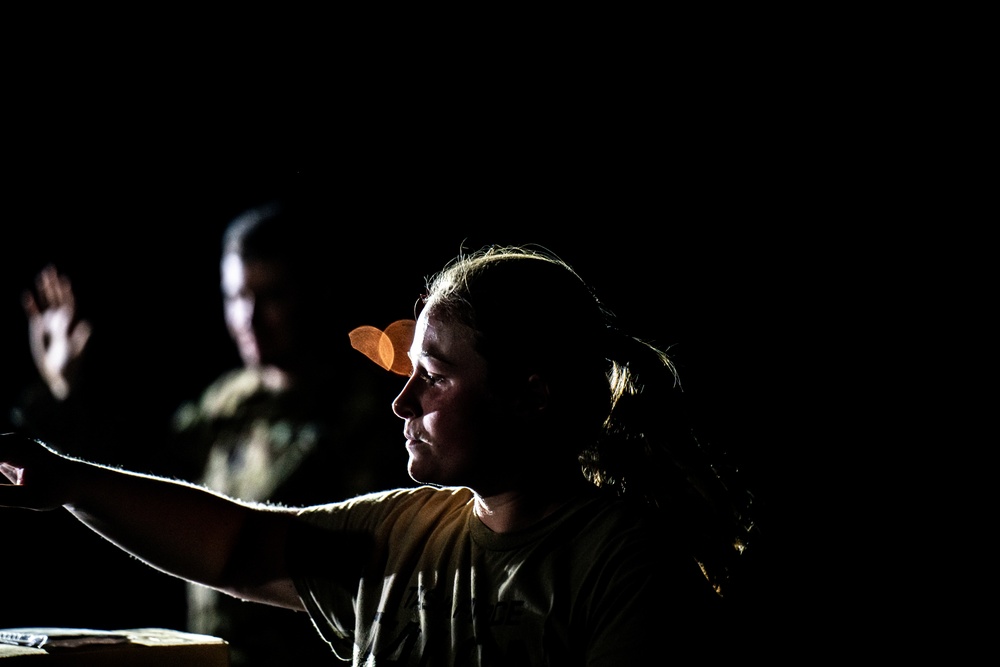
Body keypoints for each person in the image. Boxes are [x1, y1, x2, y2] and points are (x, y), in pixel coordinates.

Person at [2, 244, 760, 665]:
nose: (404, 402)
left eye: (434, 378)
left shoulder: (624, 566)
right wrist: (64, 478)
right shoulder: (405, 531)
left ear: (530, 396)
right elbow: (232, 545)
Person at [7, 198, 413, 665]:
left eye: (273, 295)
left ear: (314, 291)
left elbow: (366, 569)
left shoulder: (365, 411)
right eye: (237, 297)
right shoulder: (226, 403)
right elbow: (142, 484)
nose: (250, 318)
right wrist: (64, 392)